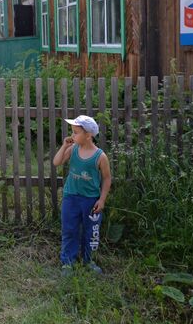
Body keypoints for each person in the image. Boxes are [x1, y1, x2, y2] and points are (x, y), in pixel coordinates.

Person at [52, 115, 112, 276]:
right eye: (72, 132)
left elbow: (107, 178)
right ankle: (68, 262)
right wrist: (64, 146)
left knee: (91, 231)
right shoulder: (73, 149)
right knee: (69, 229)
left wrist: (102, 199)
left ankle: (89, 260)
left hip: (90, 200)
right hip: (71, 197)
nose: (72, 136)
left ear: (88, 135)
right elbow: (56, 162)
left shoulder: (100, 156)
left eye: (76, 132)